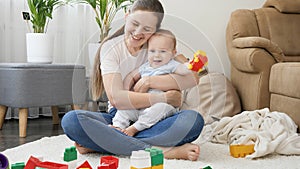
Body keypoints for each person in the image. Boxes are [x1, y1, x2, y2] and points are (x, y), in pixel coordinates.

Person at [61, 0, 204, 161]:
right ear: (127, 15)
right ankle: (164, 151)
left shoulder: (159, 44)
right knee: (72, 121)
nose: (138, 32)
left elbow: (193, 78)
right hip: (122, 116)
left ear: (155, 31)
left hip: (156, 117)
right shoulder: (111, 48)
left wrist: (149, 82)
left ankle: (105, 142)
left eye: (147, 29)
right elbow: (117, 99)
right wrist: (164, 97)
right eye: (135, 23)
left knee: (193, 121)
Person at [111, 29, 194, 137]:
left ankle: (134, 129)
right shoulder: (146, 66)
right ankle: (118, 127)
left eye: (163, 51)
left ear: (173, 53)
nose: (157, 55)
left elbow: (183, 70)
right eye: (152, 51)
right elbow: (132, 76)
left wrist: (191, 65)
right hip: (141, 105)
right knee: (125, 109)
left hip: (160, 106)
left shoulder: (171, 65)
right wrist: (126, 91)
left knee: (161, 108)